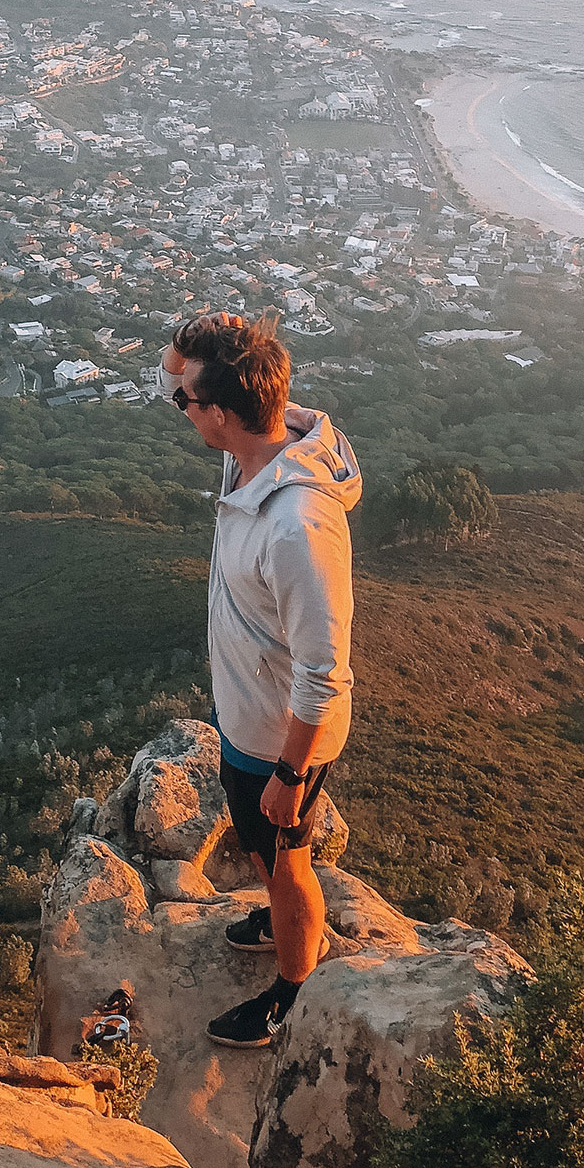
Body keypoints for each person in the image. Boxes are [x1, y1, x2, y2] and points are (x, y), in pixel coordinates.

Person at [161, 311, 361, 1048]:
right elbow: (173, 380)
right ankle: (280, 918)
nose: (180, 407)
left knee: (284, 859)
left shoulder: (296, 524)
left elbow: (324, 670)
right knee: (260, 846)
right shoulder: (255, 448)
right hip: (254, 716)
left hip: (284, 734)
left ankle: (292, 992)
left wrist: (290, 771)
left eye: (191, 403)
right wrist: (190, 338)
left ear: (222, 413)